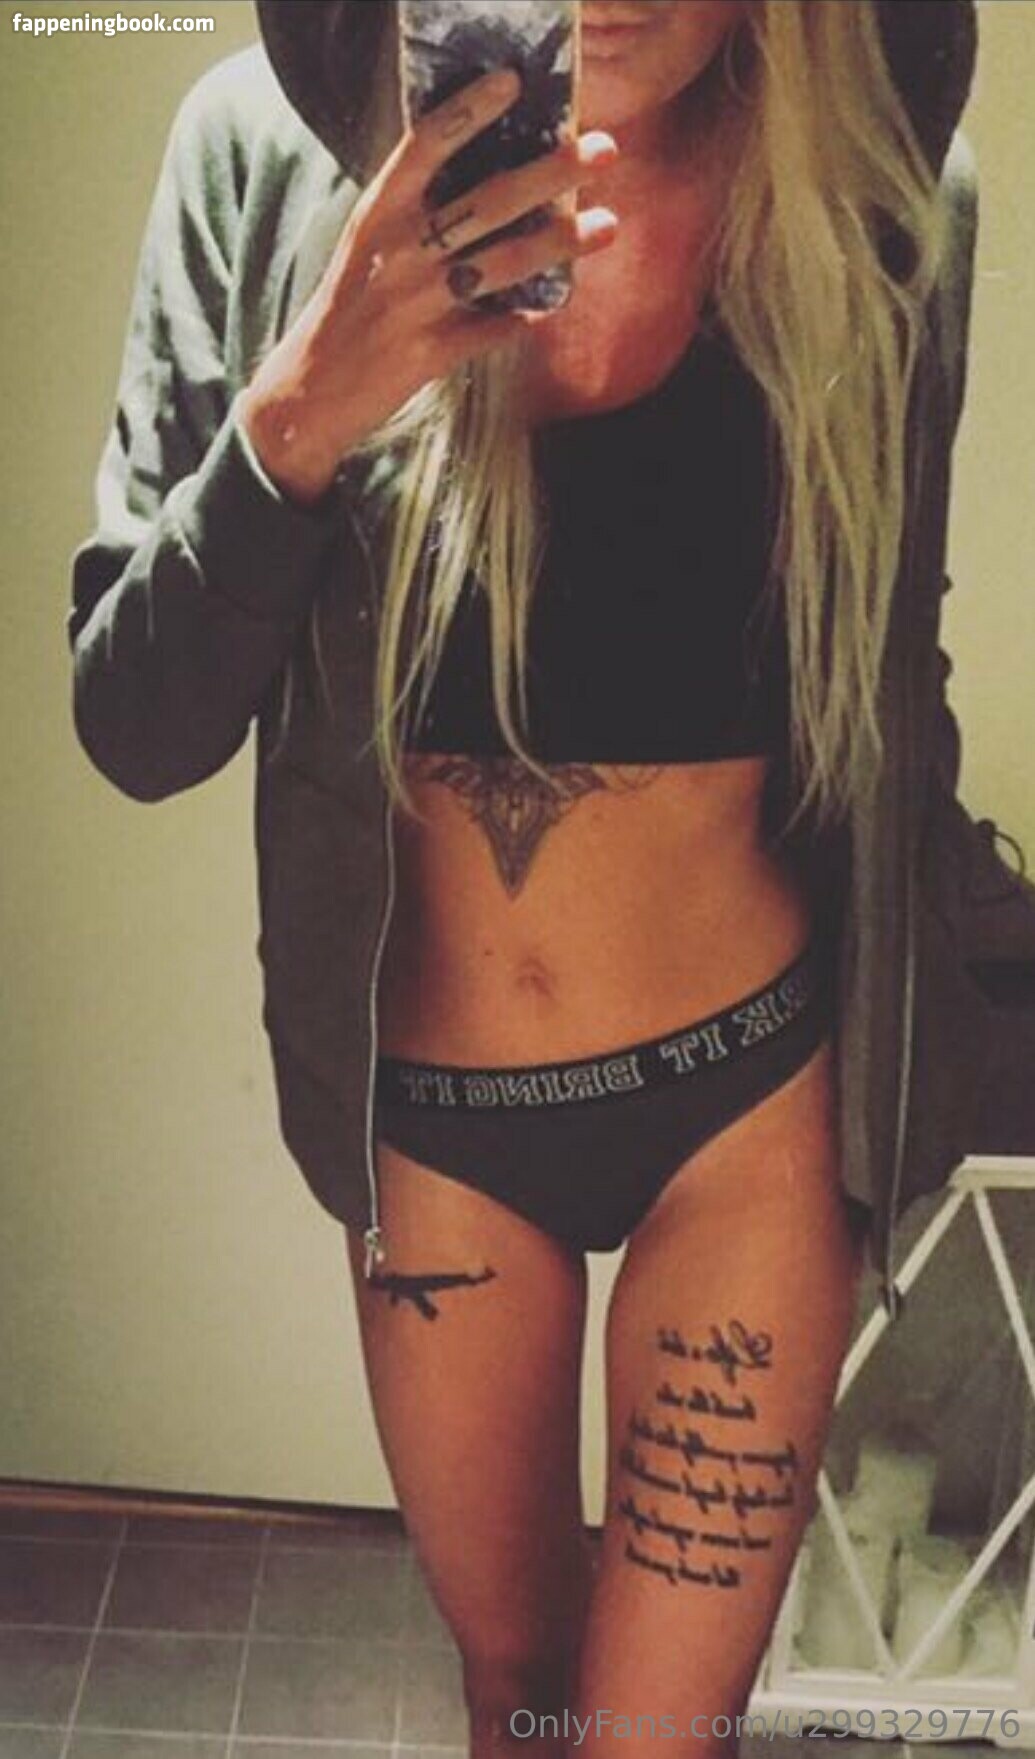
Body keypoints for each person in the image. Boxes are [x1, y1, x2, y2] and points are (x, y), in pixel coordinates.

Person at [70, 2, 1004, 1753]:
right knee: (517, 1693)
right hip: (439, 1141)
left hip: (746, 1112)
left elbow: (898, 669)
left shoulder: (881, 191)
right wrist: (306, 406)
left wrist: (941, 1031)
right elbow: (134, 722)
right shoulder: (260, 161)